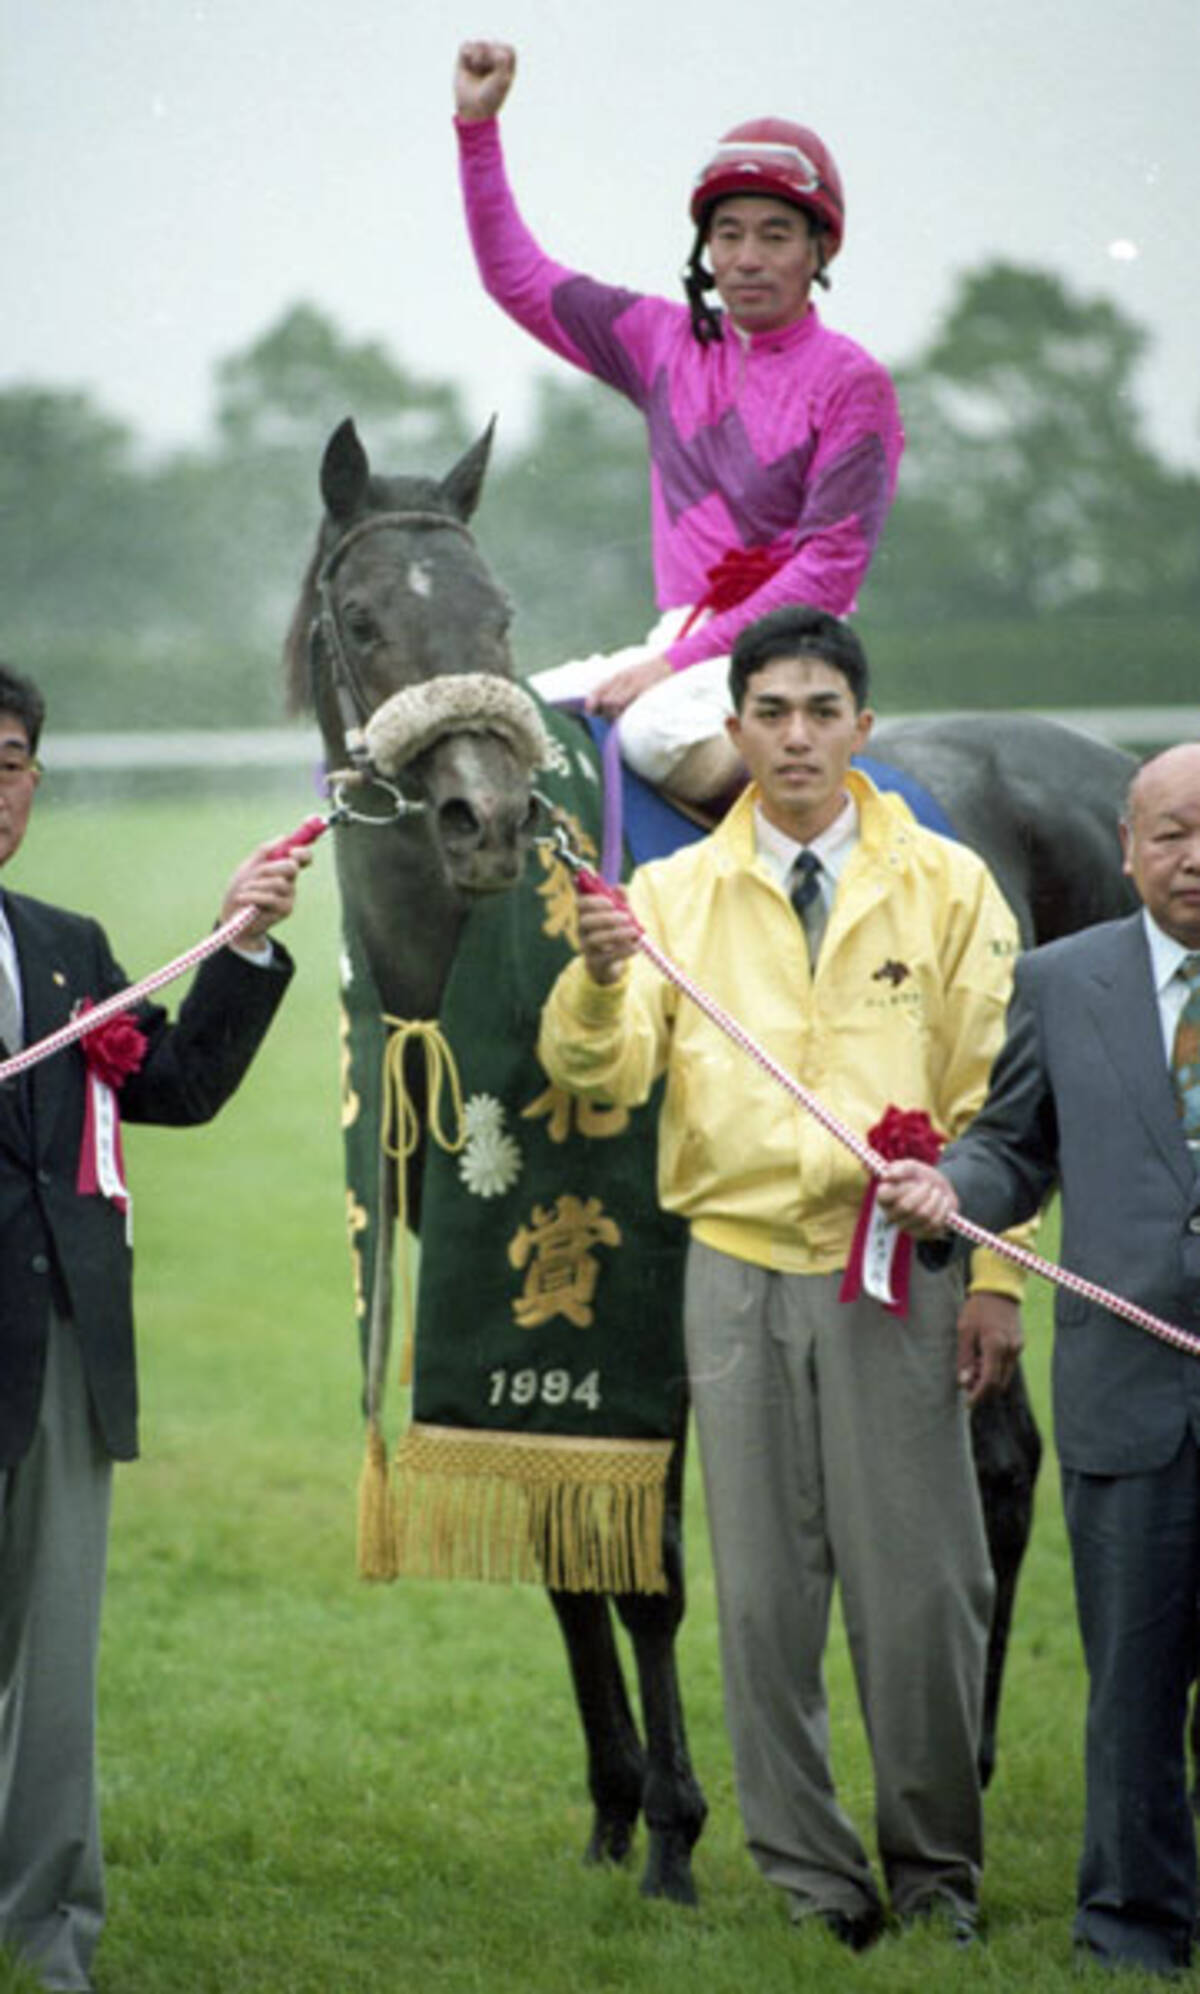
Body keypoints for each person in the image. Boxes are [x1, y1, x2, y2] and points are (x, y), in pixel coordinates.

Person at [536, 603, 1026, 1946]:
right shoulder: (669, 898)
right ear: (733, 731)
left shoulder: (949, 884)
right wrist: (591, 979)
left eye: (824, 710)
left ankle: (937, 1879)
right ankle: (813, 1882)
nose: (798, 735)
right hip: (736, 1274)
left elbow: (1001, 1099)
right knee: (760, 1599)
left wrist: (1001, 1281)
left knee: (925, 1592)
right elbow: (603, 1069)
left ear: (862, 727)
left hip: (901, 1275)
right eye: (772, 712)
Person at [0, 662, 310, 1994]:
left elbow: (173, 1084)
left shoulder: (66, 943)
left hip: (60, 1348)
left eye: (10, 758)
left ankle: (47, 1928)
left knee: (53, 1669)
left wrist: (237, 938)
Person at [878, 741, 1200, 1977]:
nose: (1191, 857)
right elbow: (1012, 1145)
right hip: (1128, 1389)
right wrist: (948, 1185)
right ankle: (1129, 1926)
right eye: (1168, 832)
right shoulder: (1066, 981)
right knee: (1131, 1680)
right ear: (1125, 849)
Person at [452, 40, 904, 805]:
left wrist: (673, 665)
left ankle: (797, 883)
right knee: (512, 715)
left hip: (799, 651)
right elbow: (516, 278)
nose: (748, 257)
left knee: (651, 731)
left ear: (818, 248)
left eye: (775, 234)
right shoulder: (662, 343)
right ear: (707, 250)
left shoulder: (852, 381)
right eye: (729, 234)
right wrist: (477, 129)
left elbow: (827, 571)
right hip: (685, 643)